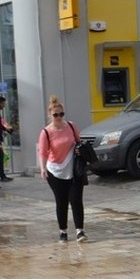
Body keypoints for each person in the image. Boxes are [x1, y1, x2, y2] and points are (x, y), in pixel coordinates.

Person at [38, 95, 87, 243]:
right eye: (55, 115)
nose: (59, 117)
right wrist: (42, 169)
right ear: (50, 115)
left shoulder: (71, 126)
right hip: (55, 171)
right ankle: (63, 232)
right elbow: (42, 152)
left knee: (76, 199)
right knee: (62, 201)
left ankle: (80, 231)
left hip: (73, 168)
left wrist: (80, 150)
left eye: (61, 114)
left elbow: (79, 142)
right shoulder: (46, 132)